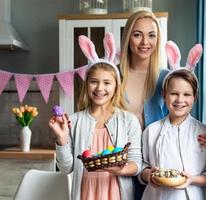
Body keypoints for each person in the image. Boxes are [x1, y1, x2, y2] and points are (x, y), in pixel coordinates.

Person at [119, 10, 206, 199]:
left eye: (151, 35)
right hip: (123, 167)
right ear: (128, 36)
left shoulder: (166, 77)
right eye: (137, 34)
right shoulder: (114, 77)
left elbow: (182, 120)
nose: (145, 42)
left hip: (157, 172)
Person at [49, 32, 142, 200]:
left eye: (107, 83)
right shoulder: (75, 120)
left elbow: (136, 164)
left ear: (116, 87)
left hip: (117, 194)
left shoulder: (128, 121)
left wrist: (120, 170)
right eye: (94, 81)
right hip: (86, 193)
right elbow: (66, 169)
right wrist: (62, 139)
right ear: (87, 85)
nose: (100, 88)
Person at [139, 41, 206, 200]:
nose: (180, 100)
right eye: (173, 93)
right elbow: (142, 166)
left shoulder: (205, 133)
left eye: (187, 94)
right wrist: (148, 175)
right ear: (164, 94)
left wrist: (192, 179)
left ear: (195, 97)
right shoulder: (151, 131)